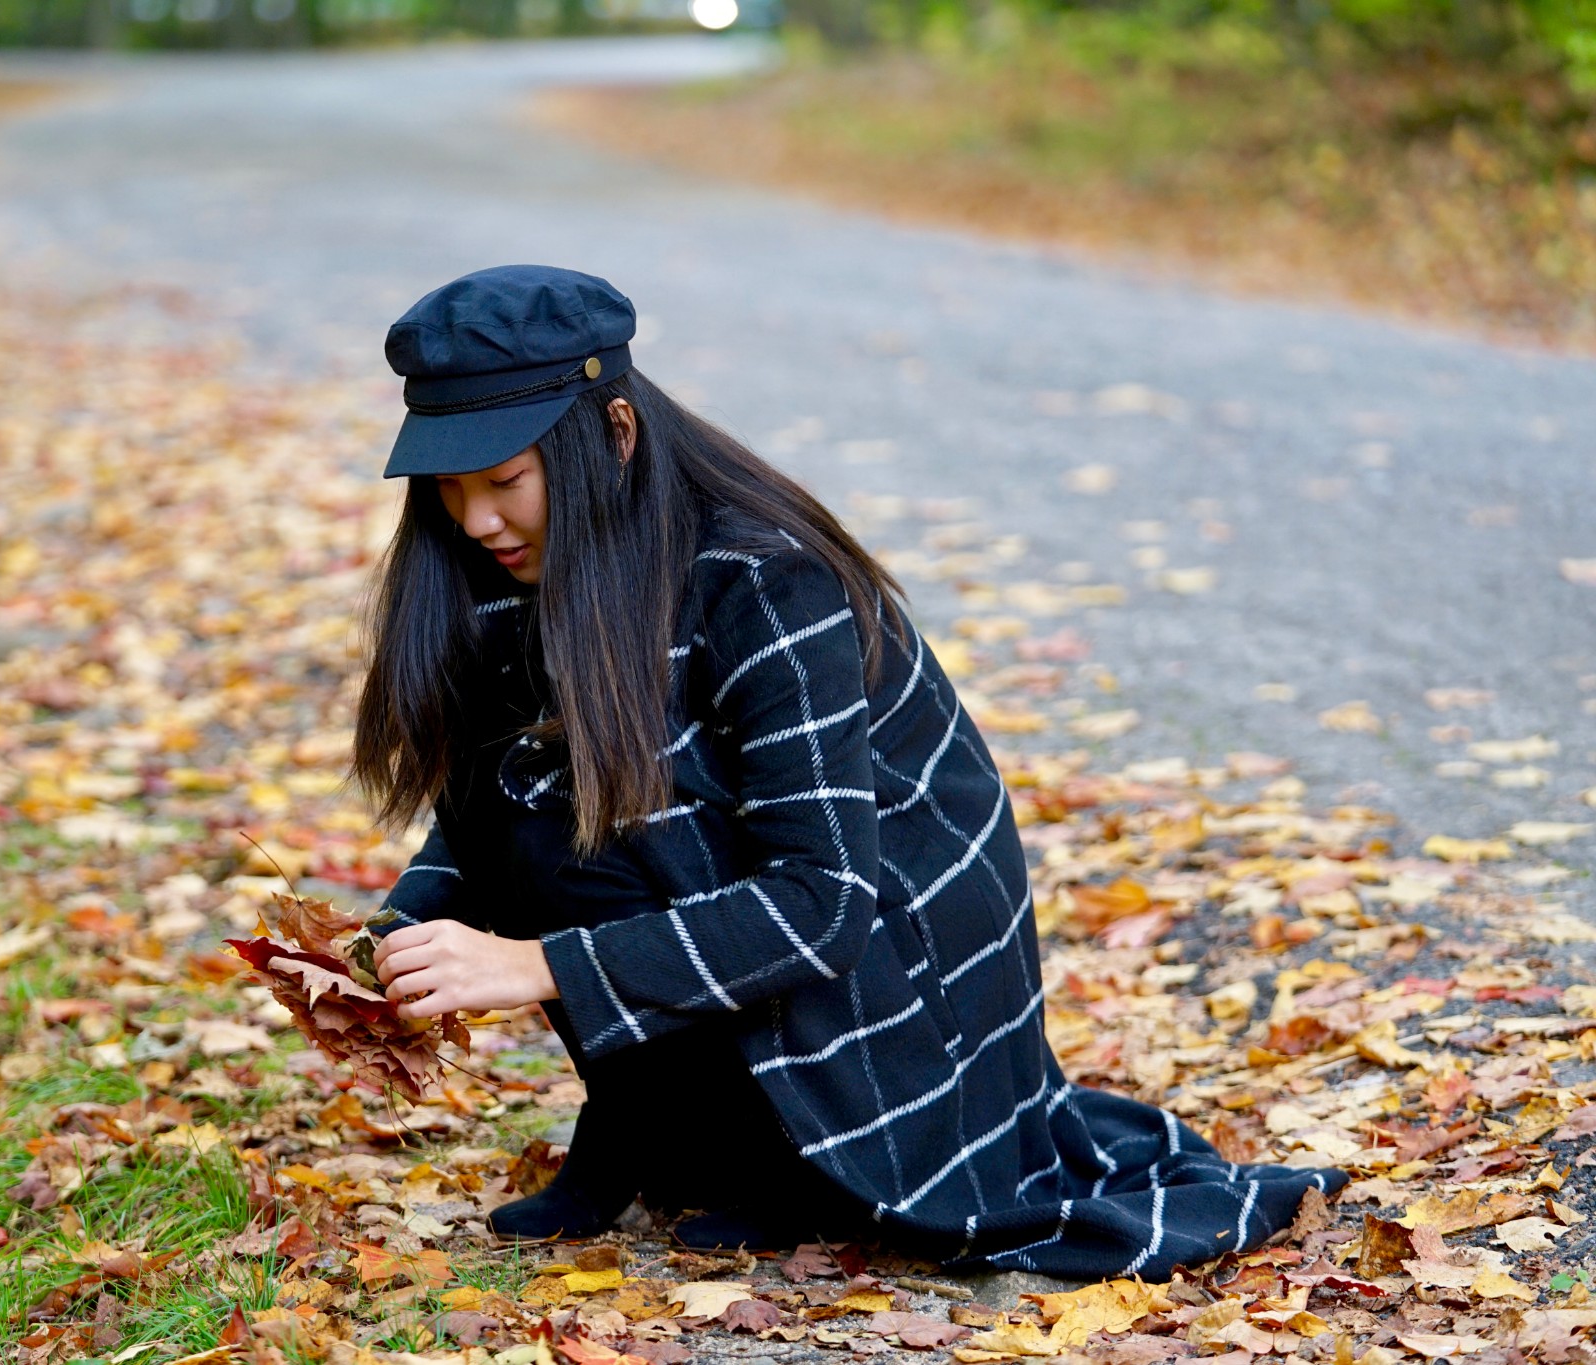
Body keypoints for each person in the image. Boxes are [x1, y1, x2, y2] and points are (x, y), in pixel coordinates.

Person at [353, 264, 1341, 1274]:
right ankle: (653, 1130)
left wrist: (535, 965)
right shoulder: (516, 570)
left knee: (624, 841)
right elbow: (486, 810)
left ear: (613, 431)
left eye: (504, 480)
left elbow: (823, 900)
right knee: (549, 814)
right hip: (757, 901)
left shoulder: (765, 580)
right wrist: (382, 947)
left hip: (887, 952)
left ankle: (793, 1162)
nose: (474, 521)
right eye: (448, 487)